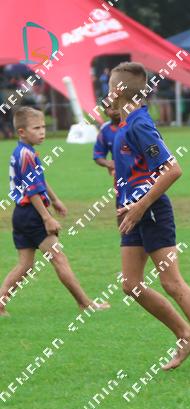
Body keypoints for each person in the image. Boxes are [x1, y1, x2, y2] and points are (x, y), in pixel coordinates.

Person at [108, 62, 190, 379]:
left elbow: (173, 170)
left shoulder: (139, 125)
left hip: (150, 211)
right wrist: (125, 203)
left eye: (108, 87)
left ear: (117, 91)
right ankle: (187, 337)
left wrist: (140, 206)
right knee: (131, 285)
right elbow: (132, 170)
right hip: (133, 213)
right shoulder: (125, 123)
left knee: (172, 282)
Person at [0, 107, 110, 316]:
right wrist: (46, 217)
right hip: (32, 214)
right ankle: (85, 303)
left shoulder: (25, 151)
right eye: (36, 128)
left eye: (43, 127)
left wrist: (55, 199)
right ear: (21, 132)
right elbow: (32, 190)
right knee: (59, 258)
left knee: (25, 265)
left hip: (21, 214)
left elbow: (39, 180)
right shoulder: (26, 154)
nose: (42, 131)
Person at [92, 105, 120, 176]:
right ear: (105, 112)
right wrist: (108, 163)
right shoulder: (105, 130)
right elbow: (98, 154)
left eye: (117, 104)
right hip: (120, 174)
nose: (114, 109)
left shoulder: (136, 124)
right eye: (109, 107)